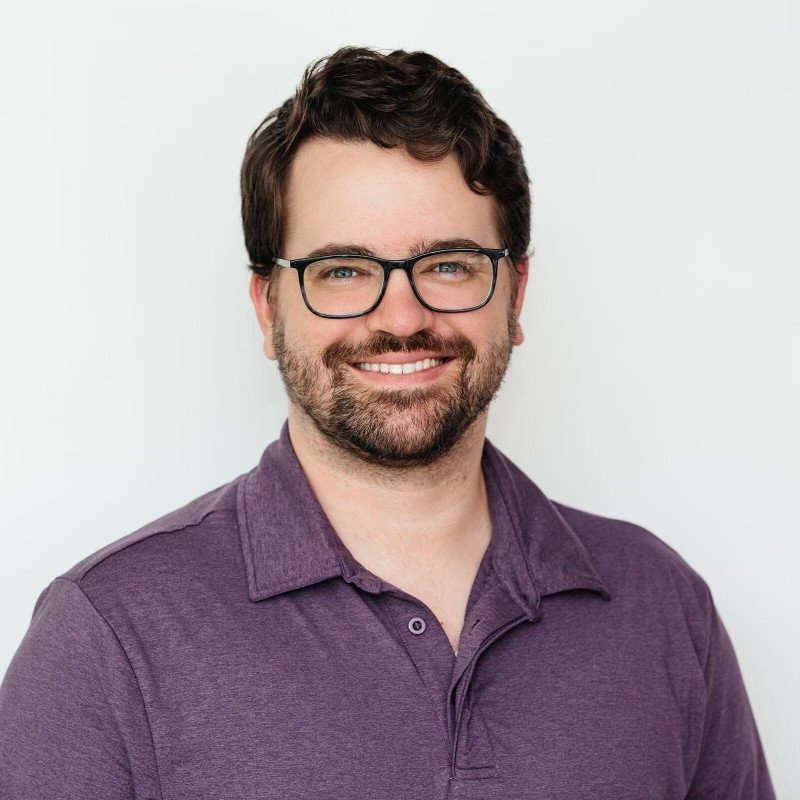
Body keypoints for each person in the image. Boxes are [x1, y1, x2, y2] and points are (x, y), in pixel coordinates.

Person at [0, 47, 774, 799]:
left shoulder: (662, 607)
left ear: (516, 293)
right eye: (342, 270)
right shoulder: (108, 636)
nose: (401, 318)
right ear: (268, 308)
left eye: (448, 265)